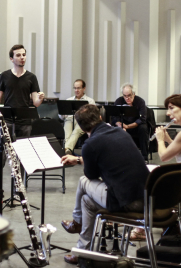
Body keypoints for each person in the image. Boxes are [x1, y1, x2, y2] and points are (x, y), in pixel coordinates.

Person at [60, 105, 149, 265]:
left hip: (127, 203)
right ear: (100, 118)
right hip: (146, 198)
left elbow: (91, 175)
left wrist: (82, 159)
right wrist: (81, 159)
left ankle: (76, 222)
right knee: (87, 201)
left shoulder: (90, 144)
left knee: (83, 181)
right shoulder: (120, 132)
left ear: (80, 127)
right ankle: (82, 251)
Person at [131, 92, 181, 241]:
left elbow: (164, 157)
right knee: (147, 173)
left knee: (144, 178)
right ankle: (144, 223)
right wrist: (168, 139)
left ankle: (140, 226)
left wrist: (160, 140)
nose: (168, 113)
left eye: (172, 108)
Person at [0, 44, 45, 204]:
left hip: (25, 122)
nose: (22, 57)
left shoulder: (31, 77)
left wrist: (41, 98)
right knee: (1, 158)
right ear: (12, 58)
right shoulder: (5, 76)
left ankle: (18, 192)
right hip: (7, 121)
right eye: (18, 55)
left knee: (21, 159)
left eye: (24, 55)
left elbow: (35, 102)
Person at [111, 83, 148, 161]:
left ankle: (144, 156)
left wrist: (128, 126)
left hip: (136, 125)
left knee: (143, 128)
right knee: (114, 128)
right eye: (125, 96)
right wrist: (120, 124)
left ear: (134, 94)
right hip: (123, 124)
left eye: (129, 95)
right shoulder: (119, 101)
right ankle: (117, 156)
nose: (127, 98)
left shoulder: (140, 101)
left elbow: (142, 118)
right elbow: (115, 117)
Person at [60, 79, 95, 154]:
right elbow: (61, 117)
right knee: (67, 133)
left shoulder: (90, 101)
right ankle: (68, 150)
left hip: (83, 121)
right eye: (75, 88)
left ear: (84, 88)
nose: (76, 90)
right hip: (70, 119)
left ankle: (66, 149)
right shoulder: (68, 100)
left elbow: (92, 117)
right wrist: (62, 113)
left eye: (78, 88)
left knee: (76, 131)